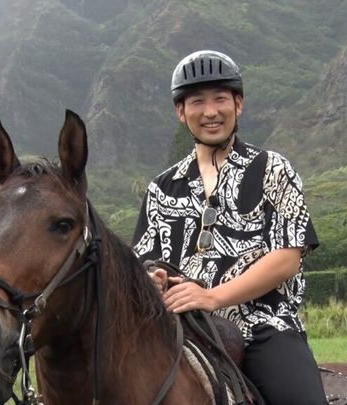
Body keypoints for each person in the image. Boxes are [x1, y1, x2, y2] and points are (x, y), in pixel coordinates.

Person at [132, 50, 327, 404]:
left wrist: (212, 297)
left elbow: (287, 259)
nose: (210, 111)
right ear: (181, 112)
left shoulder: (273, 169)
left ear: (238, 104)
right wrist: (154, 278)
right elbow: (145, 262)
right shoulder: (161, 188)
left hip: (263, 328)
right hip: (180, 330)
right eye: (197, 102)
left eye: (220, 98)